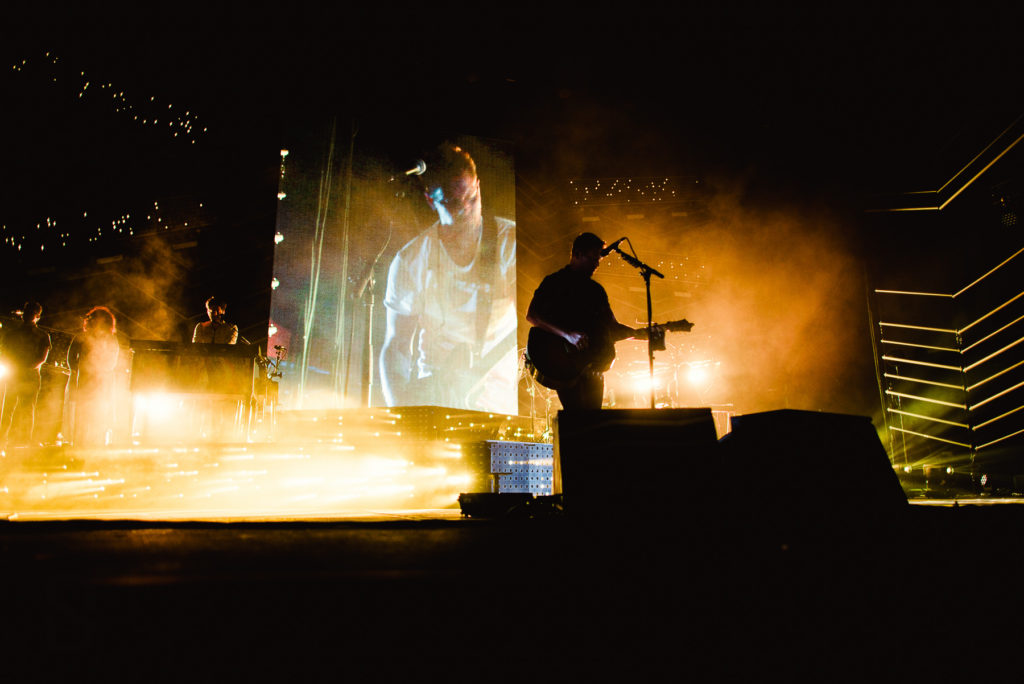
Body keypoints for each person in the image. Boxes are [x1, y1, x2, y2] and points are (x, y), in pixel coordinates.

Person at [379, 143, 517, 413]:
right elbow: (396, 346)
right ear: (431, 199)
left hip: (501, 403)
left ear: (478, 186)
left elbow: (531, 324)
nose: (467, 209)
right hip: (435, 401)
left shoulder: (510, 244)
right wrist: (401, 415)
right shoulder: (411, 260)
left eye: (472, 198)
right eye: (453, 203)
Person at [525, 233, 644, 411]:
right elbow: (532, 315)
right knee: (577, 419)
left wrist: (640, 334)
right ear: (578, 254)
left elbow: (612, 328)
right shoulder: (554, 282)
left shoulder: (596, 290)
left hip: (592, 364)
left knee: (593, 420)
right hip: (564, 361)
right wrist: (568, 335)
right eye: (593, 257)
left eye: (599, 259)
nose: (596, 263)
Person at [0, 301, 52, 447]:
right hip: (22, 375)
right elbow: (5, 354)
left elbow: (41, 358)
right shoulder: (39, 335)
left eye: (31, 312)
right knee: (12, 409)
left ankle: (20, 441)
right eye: (27, 312)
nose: (28, 315)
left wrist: (19, 367)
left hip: (24, 375)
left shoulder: (41, 335)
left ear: (37, 316)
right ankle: (11, 440)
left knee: (21, 409)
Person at [68, 306, 120, 447]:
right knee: (83, 412)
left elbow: (112, 360)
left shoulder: (110, 339)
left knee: (99, 412)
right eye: (94, 320)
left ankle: (97, 443)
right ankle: (79, 443)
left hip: (101, 380)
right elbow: (71, 357)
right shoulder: (83, 337)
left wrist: (99, 371)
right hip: (87, 379)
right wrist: (79, 370)